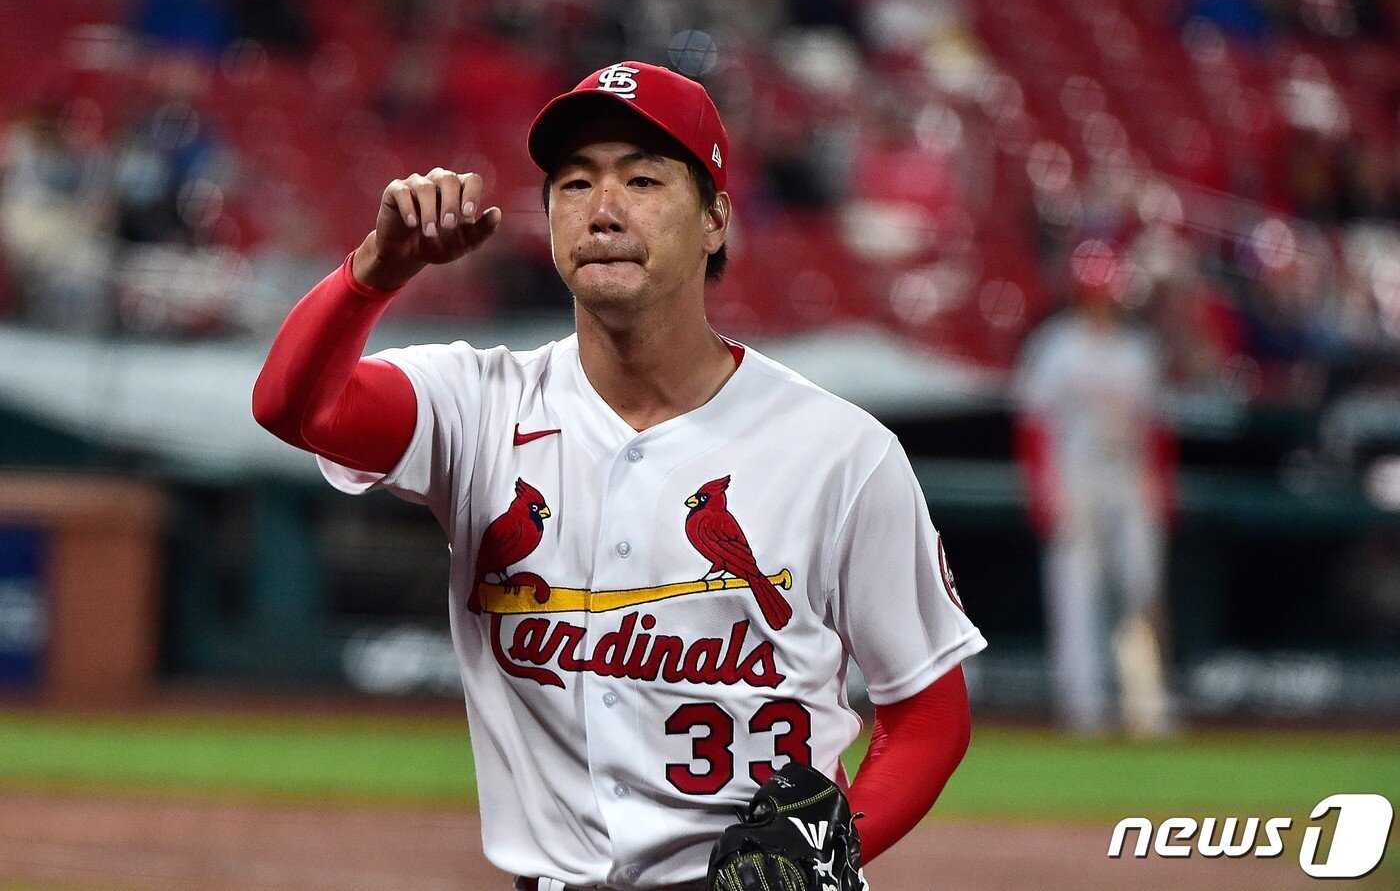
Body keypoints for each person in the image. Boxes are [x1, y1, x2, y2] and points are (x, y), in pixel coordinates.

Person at [253, 60, 985, 890]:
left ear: (715, 219)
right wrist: (373, 271)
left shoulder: (841, 452)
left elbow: (929, 714)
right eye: (574, 184)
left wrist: (829, 847)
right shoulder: (478, 403)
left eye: (641, 180)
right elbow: (292, 407)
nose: (603, 210)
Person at [1013, 240, 1177, 738]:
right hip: (1074, 476)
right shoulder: (1054, 346)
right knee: (1075, 590)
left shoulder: (1139, 351)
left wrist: (1160, 488)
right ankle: (1084, 706)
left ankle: (1146, 704)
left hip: (1128, 478)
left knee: (1142, 585)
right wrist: (1042, 489)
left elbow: (1157, 427)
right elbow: (1033, 425)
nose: (1100, 298)